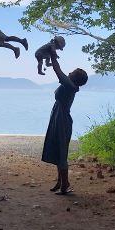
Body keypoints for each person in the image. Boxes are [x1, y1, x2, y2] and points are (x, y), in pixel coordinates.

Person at [41, 49, 88, 194]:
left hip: (61, 121)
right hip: (58, 118)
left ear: (74, 78)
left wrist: (53, 55)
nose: (69, 73)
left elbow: (58, 71)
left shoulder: (70, 86)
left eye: (72, 72)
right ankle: (60, 181)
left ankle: (65, 184)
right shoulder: (71, 85)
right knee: (57, 150)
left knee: (61, 153)